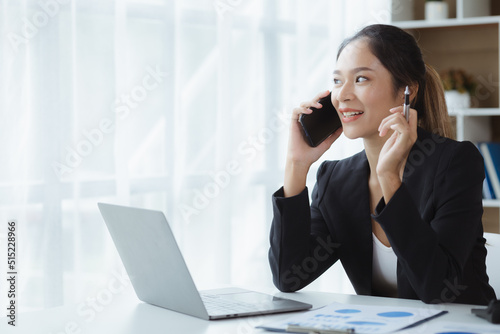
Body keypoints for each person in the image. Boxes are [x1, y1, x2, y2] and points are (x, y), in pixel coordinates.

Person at [268, 24, 497, 305]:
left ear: (407, 90)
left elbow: (437, 288)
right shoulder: (335, 178)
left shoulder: (455, 163)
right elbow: (289, 276)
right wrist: (296, 165)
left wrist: (389, 178)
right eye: (338, 81)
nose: (342, 95)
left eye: (361, 79)